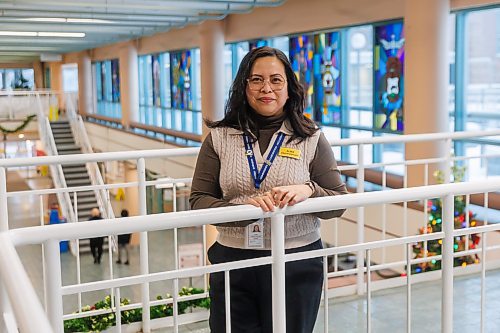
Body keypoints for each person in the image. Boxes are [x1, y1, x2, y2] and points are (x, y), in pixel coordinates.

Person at [189, 46, 348, 333]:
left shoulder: (310, 138)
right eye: (256, 80)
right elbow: (199, 201)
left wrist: (309, 190)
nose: (267, 88)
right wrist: (246, 211)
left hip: (296, 262)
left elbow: (338, 203)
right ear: (244, 86)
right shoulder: (219, 138)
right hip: (233, 261)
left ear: (289, 88)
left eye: (276, 80)